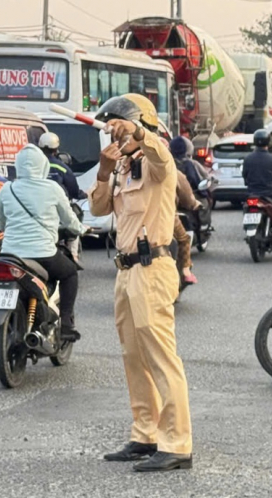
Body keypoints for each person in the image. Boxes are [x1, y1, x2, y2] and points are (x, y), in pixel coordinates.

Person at [88, 93, 192, 472]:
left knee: (161, 357)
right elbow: (98, 209)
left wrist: (139, 131)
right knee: (134, 357)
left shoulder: (155, 162)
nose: (115, 137)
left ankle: (177, 443)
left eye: (119, 128)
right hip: (126, 270)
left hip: (153, 267)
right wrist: (103, 170)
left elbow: (163, 157)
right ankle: (145, 434)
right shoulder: (120, 167)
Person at [0, 144, 84, 341]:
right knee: (70, 273)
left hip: (10, 255)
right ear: (43, 165)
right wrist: (81, 229)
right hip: (43, 254)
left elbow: (0, 222)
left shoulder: (7, 189)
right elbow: (69, 219)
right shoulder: (52, 188)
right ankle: (67, 322)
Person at [38, 132, 86, 200]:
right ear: (56, 149)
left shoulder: (31, 165)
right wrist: (82, 195)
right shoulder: (61, 168)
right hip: (57, 206)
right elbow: (73, 189)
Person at [175, 171, 200, 285]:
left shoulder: (127, 169)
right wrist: (194, 204)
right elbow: (187, 197)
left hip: (134, 221)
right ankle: (185, 271)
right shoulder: (172, 171)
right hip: (166, 217)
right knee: (184, 240)